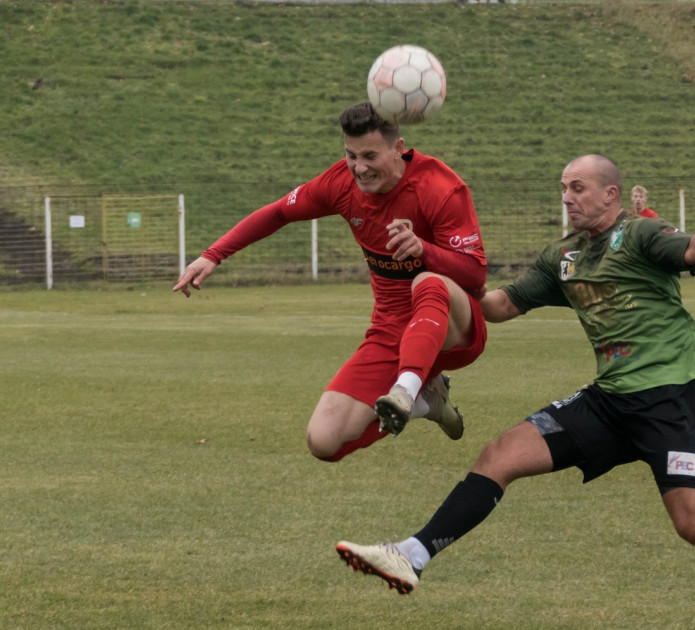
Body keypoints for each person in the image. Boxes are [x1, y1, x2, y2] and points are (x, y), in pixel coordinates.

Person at [335, 155, 695, 630]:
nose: (567, 197)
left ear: (611, 194)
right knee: (500, 455)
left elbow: (692, 250)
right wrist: (436, 263)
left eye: (578, 188)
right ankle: (411, 557)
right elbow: (500, 306)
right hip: (608, 401)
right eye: (564, 188)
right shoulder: (563, 256)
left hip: (667, 399)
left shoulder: (641, 233)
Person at [172, 102, 489, 463]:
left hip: (453, 328)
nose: (360, 167)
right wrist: (213, 254)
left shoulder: (439, 187)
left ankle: (407, 389)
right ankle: (423, 403)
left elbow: (476, 274)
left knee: (426, 282)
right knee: (323, 442)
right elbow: (278, 212)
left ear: (399, 148)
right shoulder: (341, 183)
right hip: (391, 333)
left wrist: (424, 250)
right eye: (351, 155)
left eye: (370, 155)